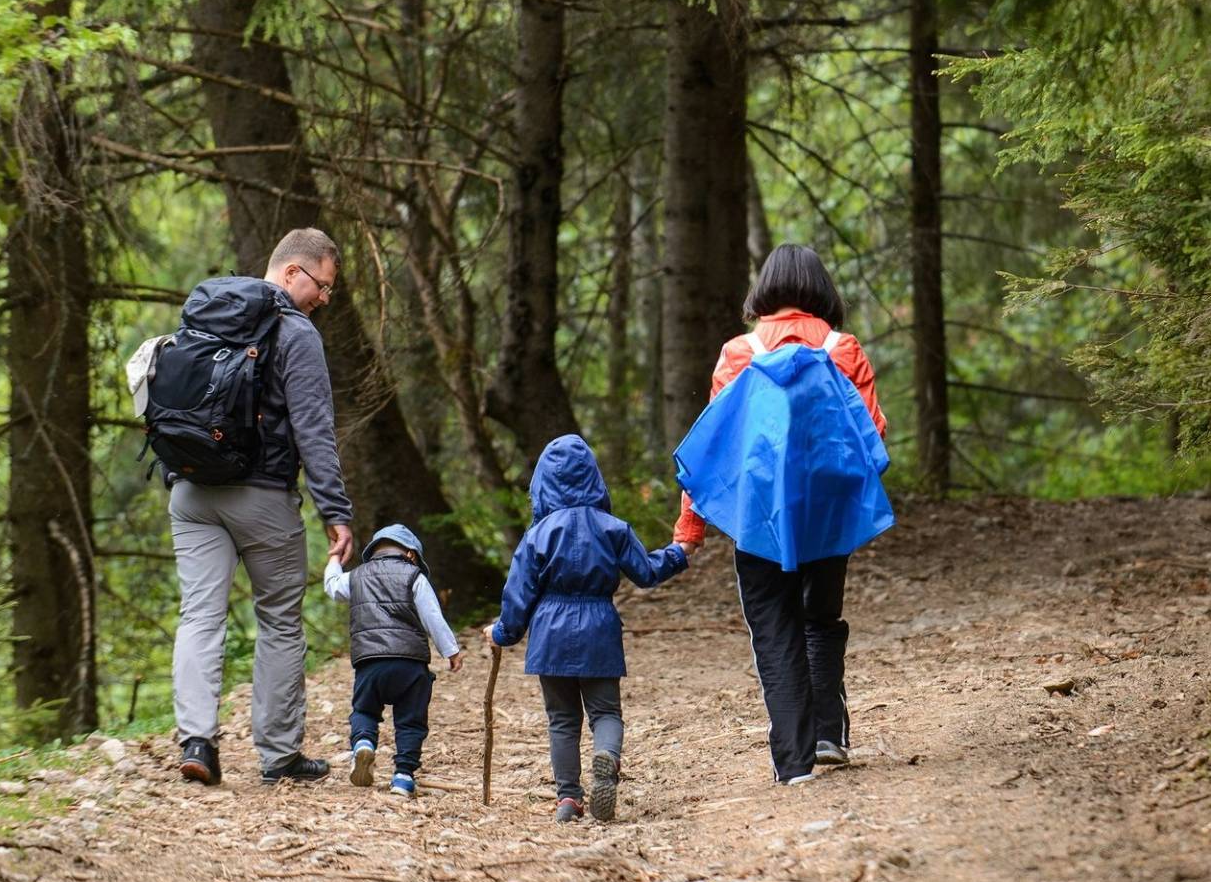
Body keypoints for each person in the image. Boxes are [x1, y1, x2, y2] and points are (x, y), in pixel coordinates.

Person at [673, 243, 887, 785]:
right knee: (821, 618)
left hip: (759, 521)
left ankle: (793, 765)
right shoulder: (843, 347)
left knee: (774, 628)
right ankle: (828, 734)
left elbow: (713, 449)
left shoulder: (739, 353)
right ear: (821, 289)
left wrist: (689, 530)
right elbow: (873, 433)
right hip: (828, 515)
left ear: (764, 289)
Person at [169, 227, 354, 787]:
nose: (324, 299)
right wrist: (336, 512)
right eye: (322, 285)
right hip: (263, 495)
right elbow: (315, 430)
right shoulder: (294, 334)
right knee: (279, 619)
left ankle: (197, 741)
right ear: (292, 271)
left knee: (199, 615)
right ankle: (278, 755)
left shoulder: (206, 313)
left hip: (192, 490)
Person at [484, 435, 695, 823]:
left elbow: (519, 594)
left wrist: (502, 632)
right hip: (599, 626)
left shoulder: (538, 534)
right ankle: (606, 757)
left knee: (562, 720)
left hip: (549, 633)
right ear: (594, 478)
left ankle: (568, 798)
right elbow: (646, 573)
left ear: (541, 483)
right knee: (605, 712)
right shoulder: (613, 528)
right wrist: (679, 553)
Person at [321, 523, 464, 798]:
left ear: (374, 551)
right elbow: (432, 616)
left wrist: (335, 557)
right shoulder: (414, 577)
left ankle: (363, 743)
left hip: (370, 663)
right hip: (410, 664)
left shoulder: (357, 576)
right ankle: (403, 776)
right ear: (411, 555)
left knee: (364, 710)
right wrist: (451, 651)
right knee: (410, 722)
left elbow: (332, 587)